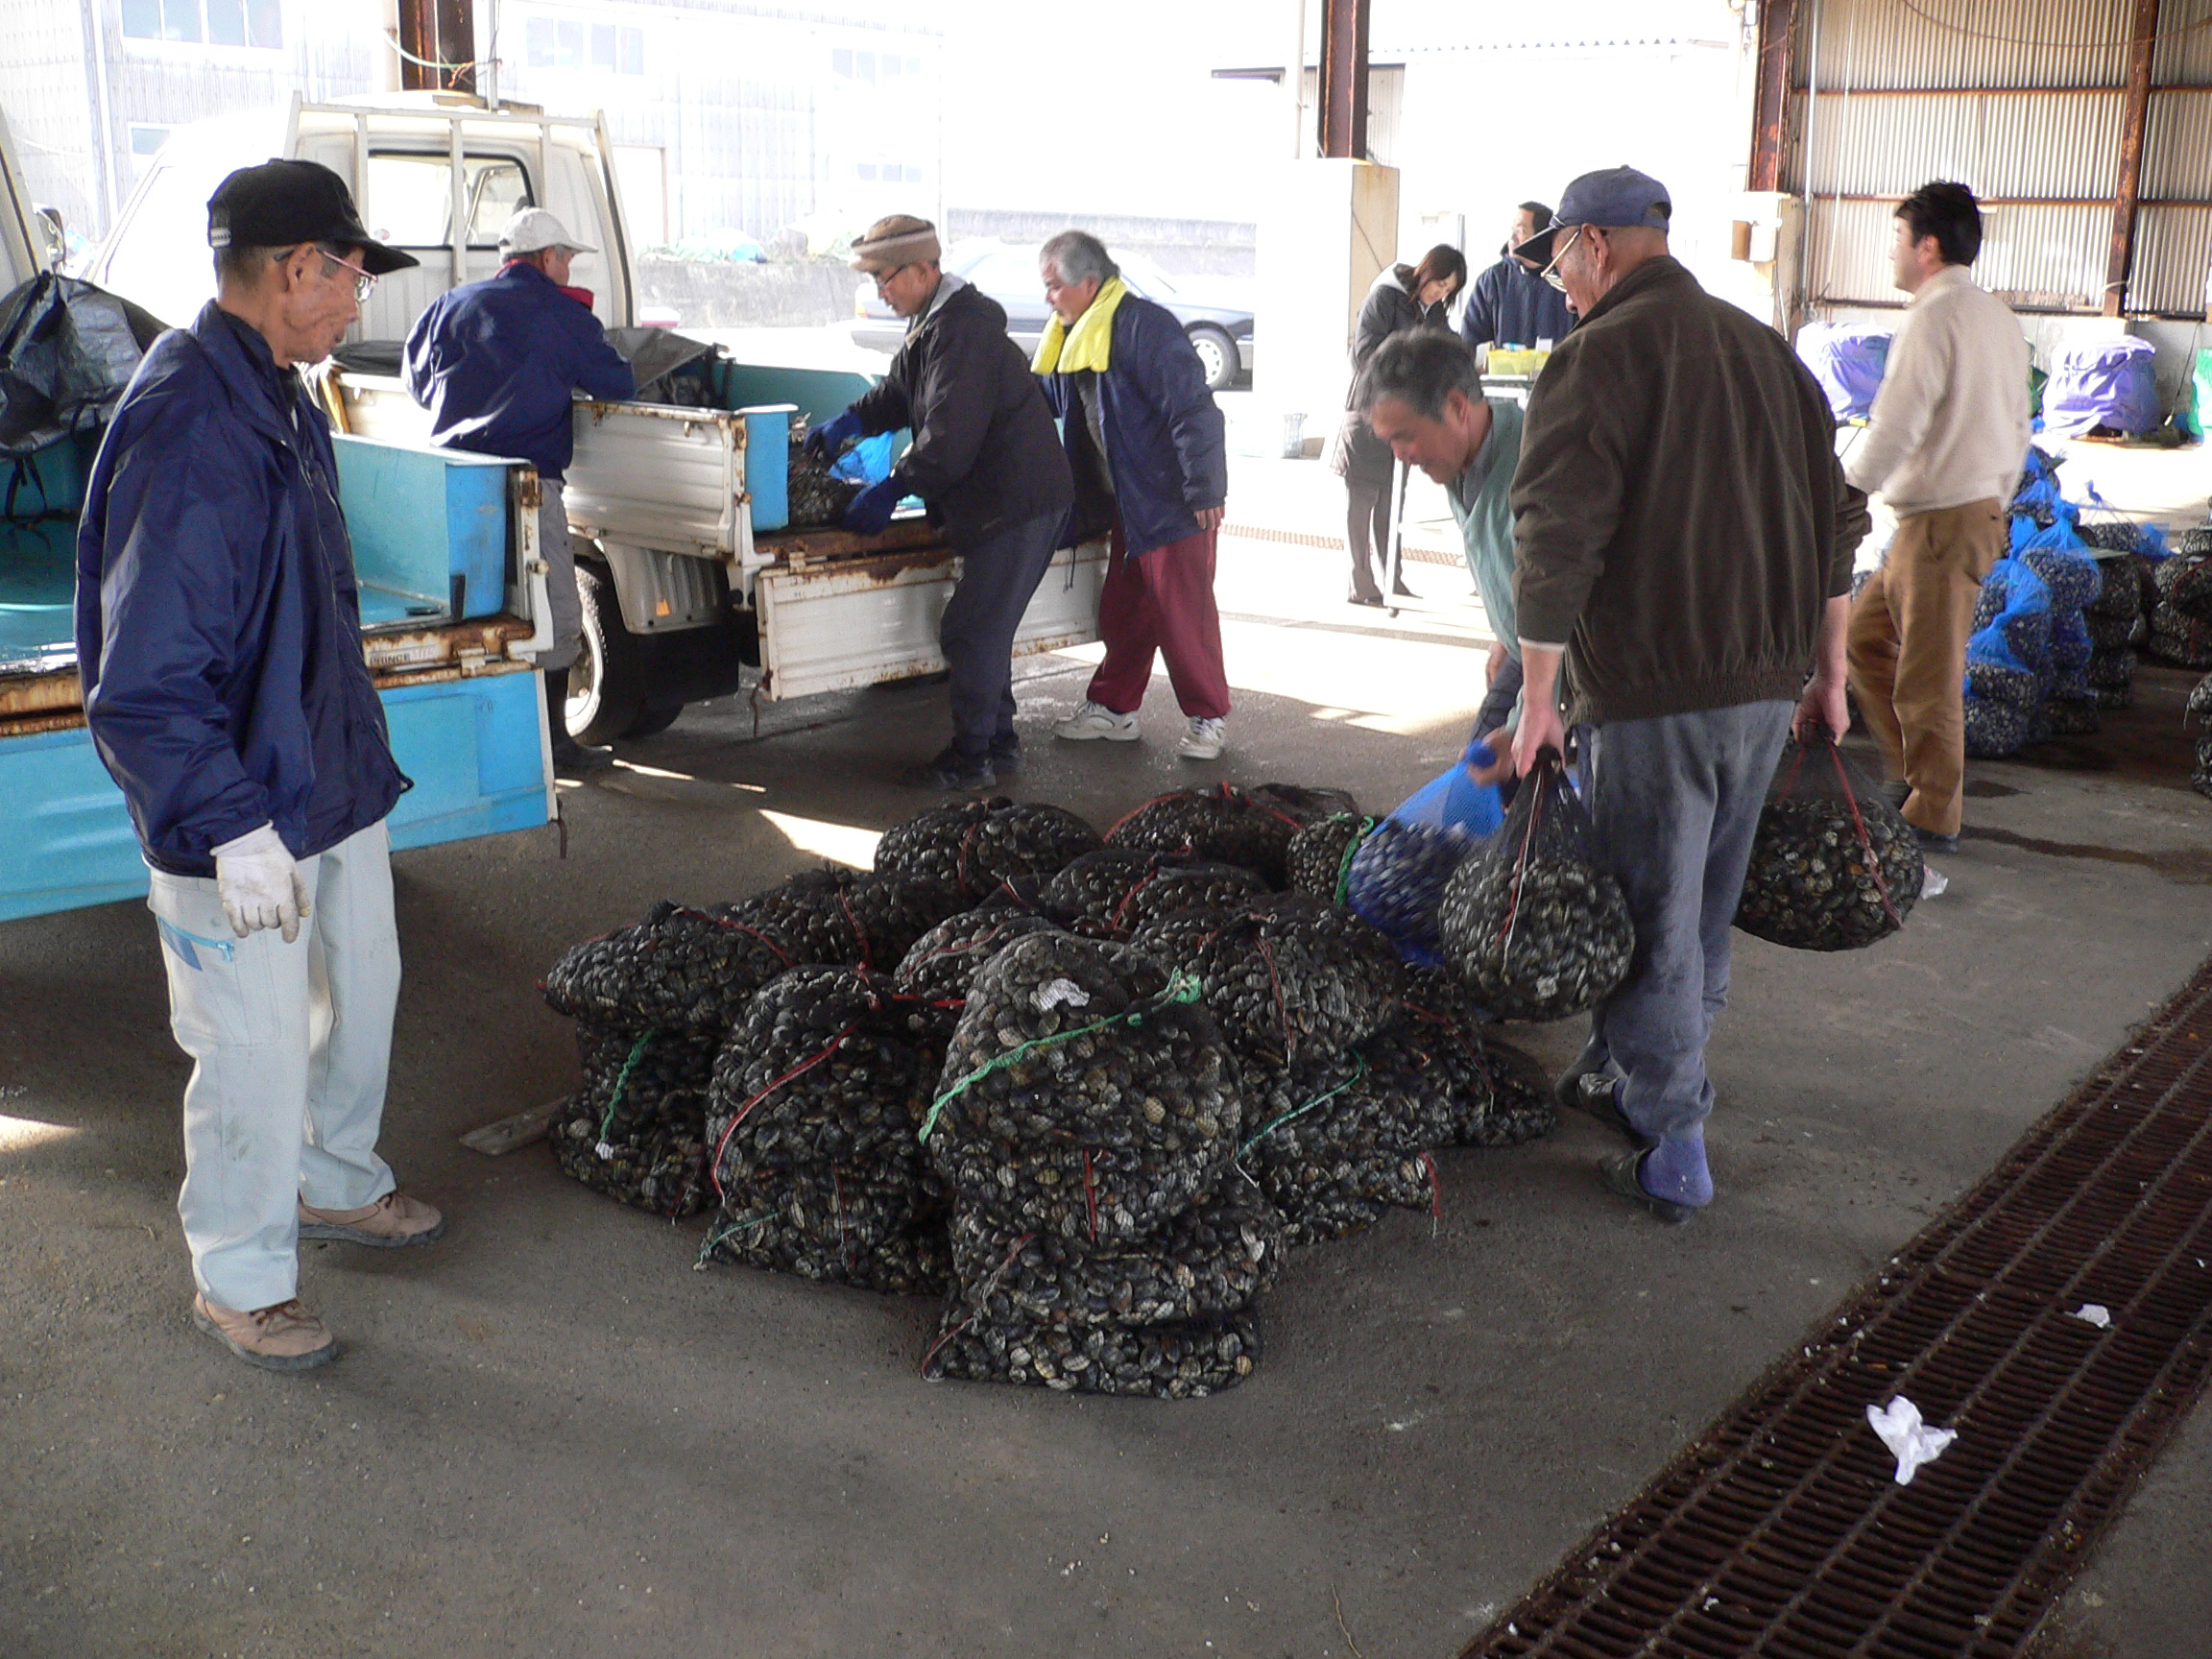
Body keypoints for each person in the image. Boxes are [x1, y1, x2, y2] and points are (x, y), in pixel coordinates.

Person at [75, 159, 448, 1373]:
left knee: (366, 990)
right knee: (249, 1048)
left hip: (322, 777)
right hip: (239, 807)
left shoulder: (277, 390)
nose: (357, 302)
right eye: (351, 275)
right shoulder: (193, 423)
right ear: (298, 268)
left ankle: (335, 1178)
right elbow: (142, 678)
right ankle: (240, 1276)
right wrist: (227, 826)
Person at [1495, 167, 1869, 1226]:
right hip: (1765, 689)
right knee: (1699, 905)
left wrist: (1535, 701)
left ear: (1598, 246)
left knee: (1657, 920)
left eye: (1559, 259)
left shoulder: (1597, 354)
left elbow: (1554, 538)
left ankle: (1675, 1143)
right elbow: (1839, 523)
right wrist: (1829, 676)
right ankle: (1634, 1072)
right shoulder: (1768, 354)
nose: (1558, 283)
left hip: (1656, 693)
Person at [805, 215, 1073, 788]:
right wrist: (852, 419)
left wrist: (893, 486)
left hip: (1017, 500)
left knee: (972, 629)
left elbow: (948, 443)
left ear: (924, 270)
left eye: (886, 278)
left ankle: (971, 757)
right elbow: (900, 392)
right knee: (986, 626)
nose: (881, 291)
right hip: (1000, 499)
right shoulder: (931, 324)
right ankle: (999, 745)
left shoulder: (963, 334)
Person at [403, 207, 637, 774]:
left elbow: (413, 381)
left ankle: (478, 742)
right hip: (527, 489)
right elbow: (618, 382)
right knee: (552, 611)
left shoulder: (449, 306)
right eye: (567, 259)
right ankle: (553, 744)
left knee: (472, 615)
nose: (568, 270)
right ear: (548, 258)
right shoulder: (563, 316)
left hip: (455, 484)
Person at [1844, 181, 2031, 860]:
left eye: (1898, 238)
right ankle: (1912, 779)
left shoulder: (1934, 315)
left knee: (1927, 672)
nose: (1893, 253)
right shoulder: (1995, 317)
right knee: (1864, 644)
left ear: (1928, 246)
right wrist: (1996, 495)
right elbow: (2020, 423)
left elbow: (1900, 419)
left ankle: (1934, 813)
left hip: (1945, 520)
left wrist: (1849, 486)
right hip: (1952, 515)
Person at [1035, 230, 1234, 760]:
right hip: (1131, 504)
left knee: (1183, 615)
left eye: (1054, 287)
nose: (1048, 298)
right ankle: (1115, 709)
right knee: (1125, 611)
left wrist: (1205, 487)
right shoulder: (1077, 333)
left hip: (1174, 504)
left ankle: (1208, 718)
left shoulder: (1144, 327)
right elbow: (1051, 399)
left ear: (1090, 283)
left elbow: (1194, 409)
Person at [1357, 328, 1526, 740]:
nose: (1400, 456)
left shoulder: (1534, 467)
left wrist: (1528, 722)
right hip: (1527, 647)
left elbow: (1566, 615)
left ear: (1456, 407)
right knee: (1478, 777)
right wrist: (1504, 634)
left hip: (1589, 667)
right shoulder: (1459, 457)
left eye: (1405, 436)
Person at [1328, 245, 1467, 607]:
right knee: (1362, 499)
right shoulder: (1384, 297)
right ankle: (1360, 583)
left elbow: (1445, 346)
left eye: (1448, 290)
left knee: (1393, 498)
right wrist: (1412, 359)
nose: (1441, 294)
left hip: (1405, 417)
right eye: (1439, 284)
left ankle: (1393, 578)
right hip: (1368, 411)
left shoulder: (1431, 311)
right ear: (1426, 272)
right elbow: (1364, 353)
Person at [1459, 201, 1576, 356]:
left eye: (1520, 231)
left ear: (1540, 236)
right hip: (1500, 379)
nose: (1512, 237)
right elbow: (1471, 339)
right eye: (1512, 230)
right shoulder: (1492, 281)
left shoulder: (1567, 280)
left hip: (1558, 377)